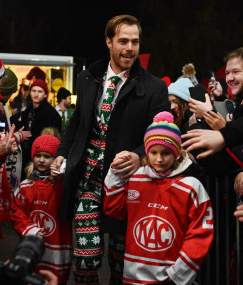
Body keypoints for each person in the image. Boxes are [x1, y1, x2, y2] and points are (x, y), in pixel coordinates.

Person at [52, 14, 170, 284]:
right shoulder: (87, 77)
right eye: (124, 41)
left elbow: (161, 136)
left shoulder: (154, 87)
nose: (130, 48)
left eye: (136, 42)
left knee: (123, 266)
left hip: (128, 186)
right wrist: (62, 155)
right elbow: (77, 126)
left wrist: (139, 155)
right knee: (84, 263)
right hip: (87, 181)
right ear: (108, 41)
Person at [103, 112, 214, 284]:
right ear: (146, 152)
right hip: (133, 276)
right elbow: (114, 210)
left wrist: (178, 274)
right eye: (153, 152)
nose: (159, 159)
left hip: (172, 278)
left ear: (177, 153)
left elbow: (200, 233)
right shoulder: (136, 178)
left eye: (166, 153)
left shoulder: (191, 186)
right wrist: (116, 173)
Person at [11, 134, 72, 284]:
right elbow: (17, 213)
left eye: (47, 156)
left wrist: (63, 175)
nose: (42, 160)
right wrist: (30, 230)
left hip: (58, 249)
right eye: (38, 155)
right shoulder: (25, 186)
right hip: (32, 248)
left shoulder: (62, 186)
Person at [13, 79, 61, 180]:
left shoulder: (51, 113)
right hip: (26, 154)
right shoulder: (28, 109)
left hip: (42, 157)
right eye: (33, 91)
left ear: (45, 95)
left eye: (39, 92)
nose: (36, 94)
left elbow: (53, 139)